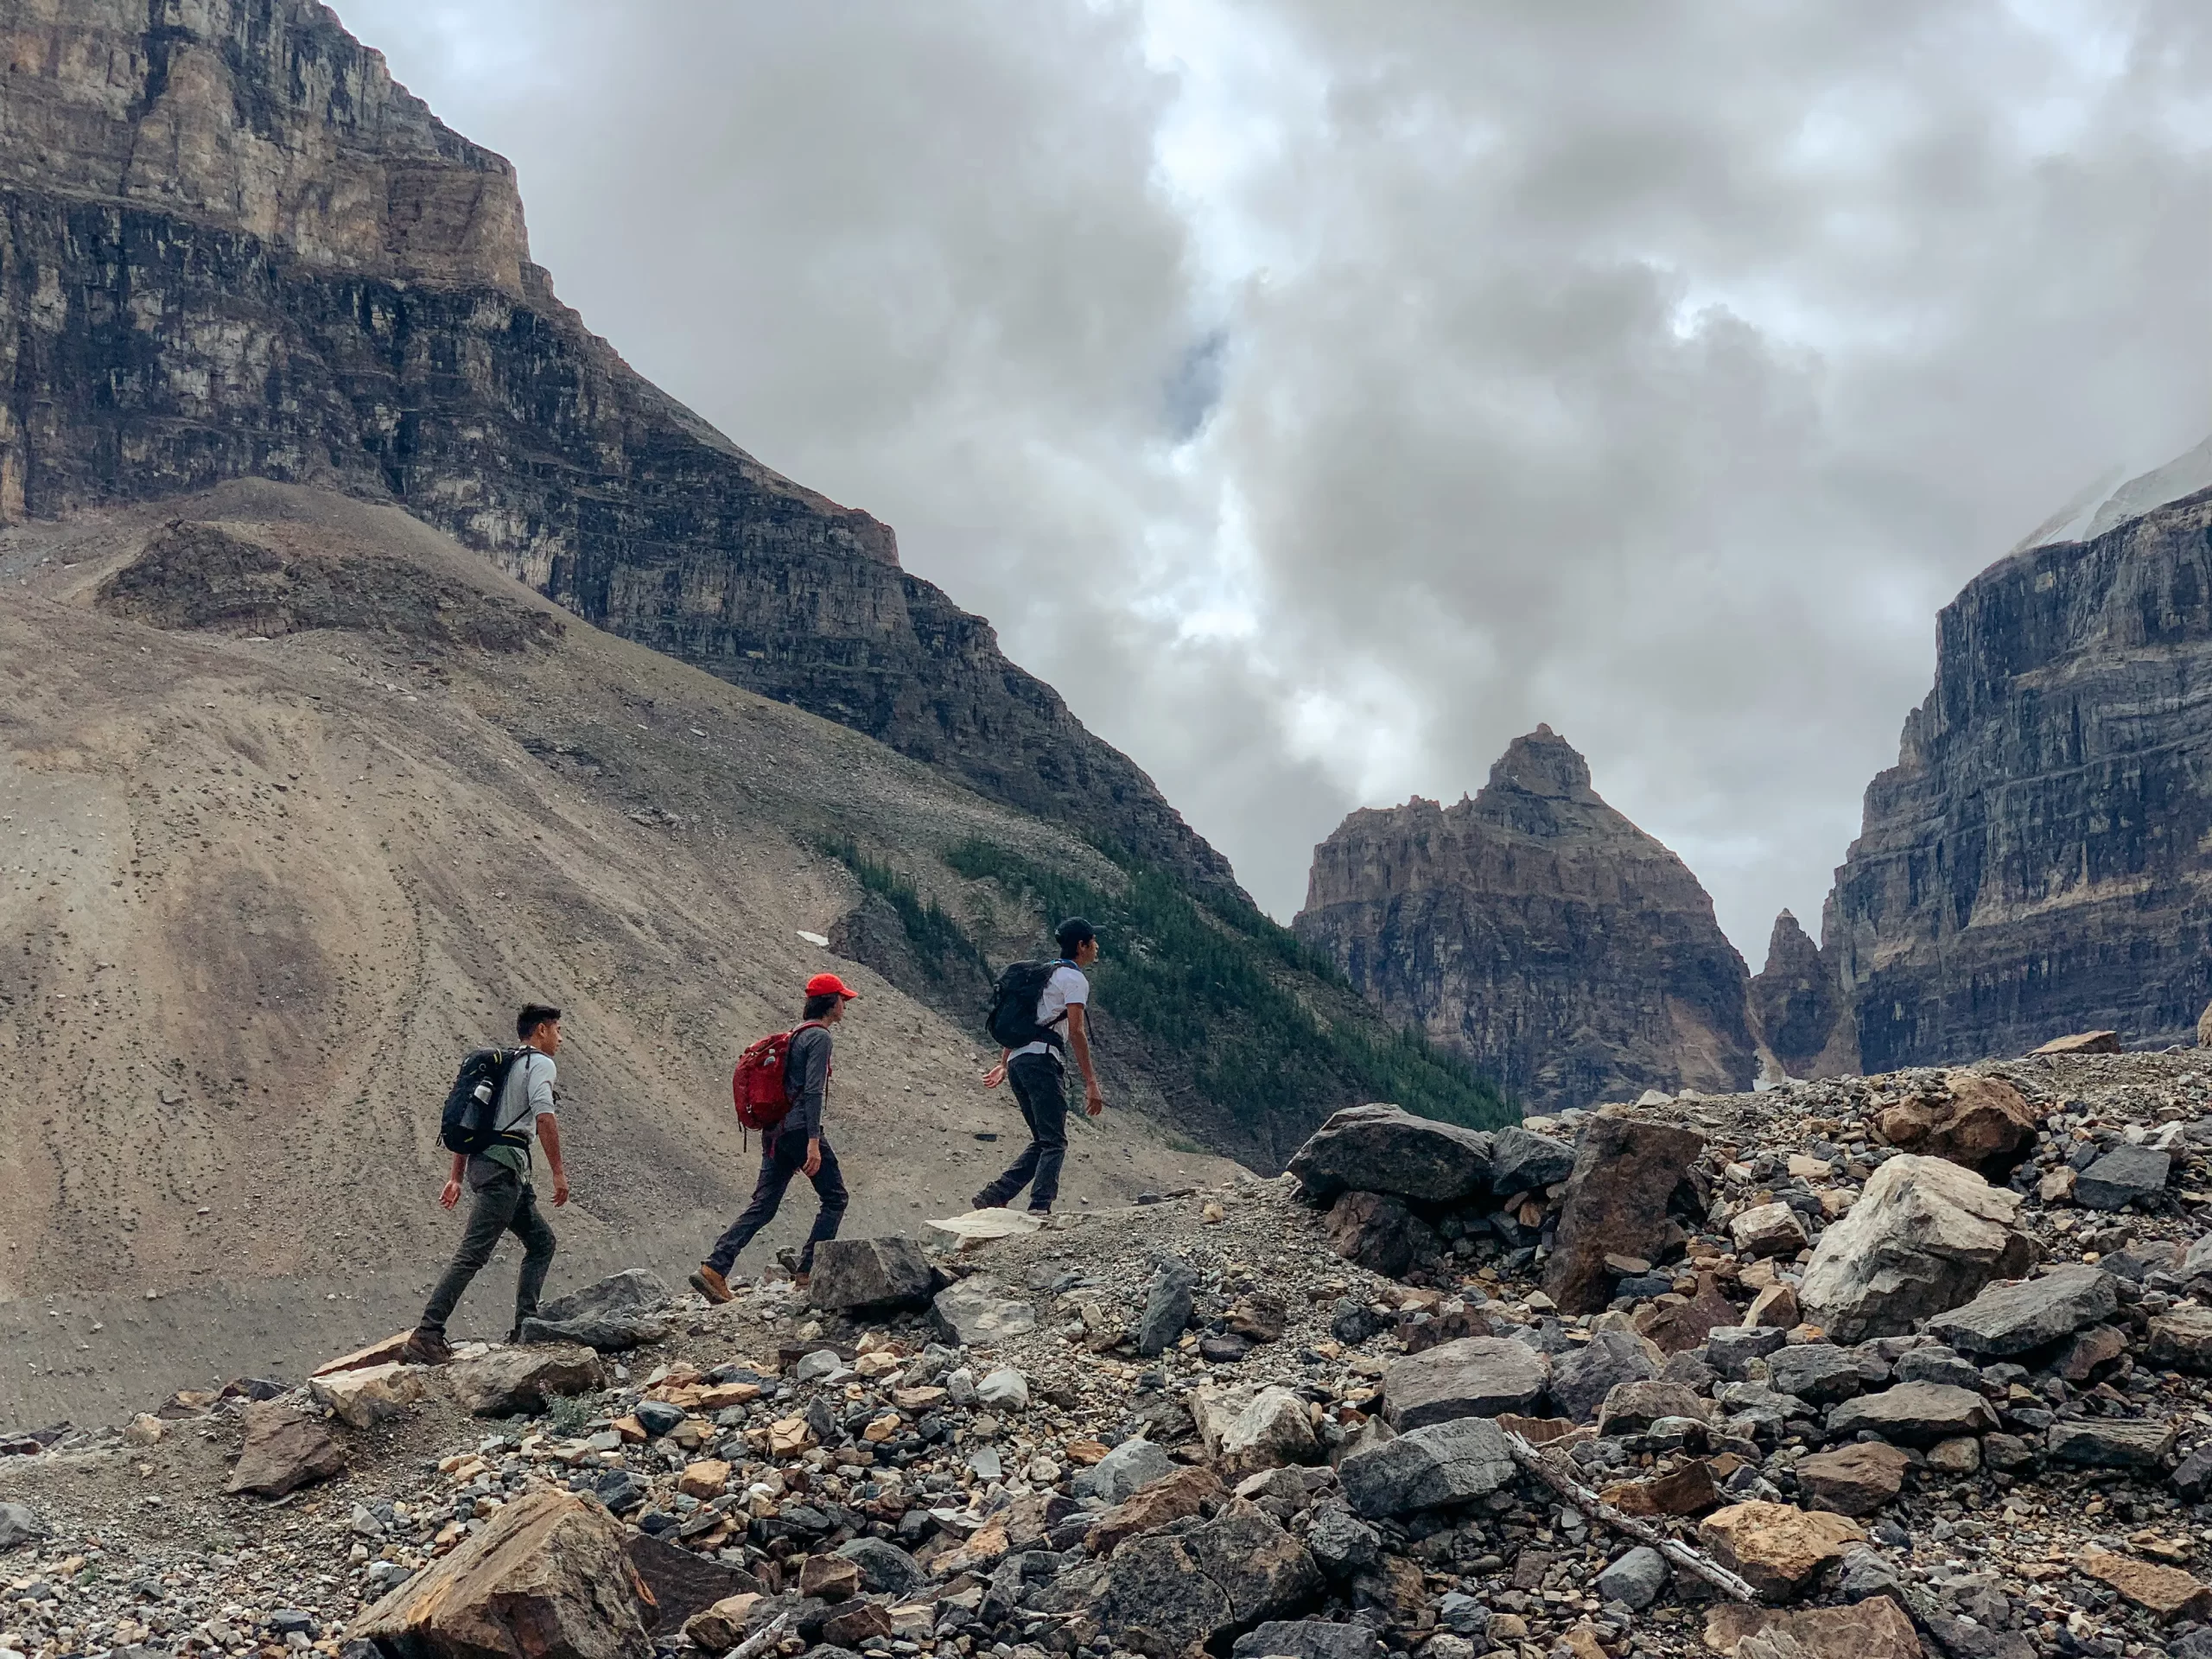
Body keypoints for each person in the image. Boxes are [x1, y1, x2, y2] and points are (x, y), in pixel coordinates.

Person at [404, 1003, 569, 1364]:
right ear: (541, 1030)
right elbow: (544, 1116)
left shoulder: (505, 1066)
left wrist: (456, 1177)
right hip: (503, 1170)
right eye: (557, 1030)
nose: (560, 1038)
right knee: (472, 1253)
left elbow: (472, 1125)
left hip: (496, 1169)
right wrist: (558, 1171)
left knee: (542, 1242)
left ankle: (527, 1323)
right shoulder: (540, 1064)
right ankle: (427, 1334)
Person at [690, 973, 857, 1301]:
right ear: (830, 1003)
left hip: (775, 1134)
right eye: (842, 999)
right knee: (835, 1197)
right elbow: (812, 1091)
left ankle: (715, 1267)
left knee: (764, 1206)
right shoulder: (820, 1038)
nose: (845, 1005)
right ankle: (809, 1271)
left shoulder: (795, 1035)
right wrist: (813, 1141)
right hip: (799, 1131)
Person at [975, 918, 1103, 1216]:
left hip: (1020, 1060)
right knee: (1055, 1141)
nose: (1097, 947)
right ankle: (1039, 1208)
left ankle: (996, 1194)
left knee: (1044, 1139)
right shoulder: (1074, 980)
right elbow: (1076, 1031)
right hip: (1043, 1060)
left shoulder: (1042, 974)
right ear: (1082, 946)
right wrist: (1091, 1082)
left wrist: (1004, 1062)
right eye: (1093, 941)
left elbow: (1025, 1022)